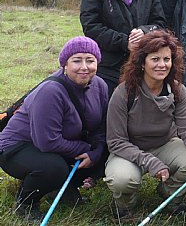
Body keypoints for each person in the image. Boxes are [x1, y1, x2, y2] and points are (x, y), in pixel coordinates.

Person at [104, 30, 186, 221]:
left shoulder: (177, 90)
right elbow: (116, 141)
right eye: (155, 59)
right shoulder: (124, 92)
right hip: (129, 149)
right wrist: (149, 162)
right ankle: (125, 206)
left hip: (165, 143)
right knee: (123, 179)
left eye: (167, 59)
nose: (162, 65)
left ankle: (169, 193)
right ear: (142, 62)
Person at [0, 37, 108, 223]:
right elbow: (47, 141)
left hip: (63, 143)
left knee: (105, 154)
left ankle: (62, 189)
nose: (84, 67)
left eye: (90, 60)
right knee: (53, 168)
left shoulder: (100, 86)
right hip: (18, 147)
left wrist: (96, 152)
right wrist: (86, 150)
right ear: (65, 64)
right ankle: (26, 203)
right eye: (76, 60)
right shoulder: (50, 91)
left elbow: (101, 127)